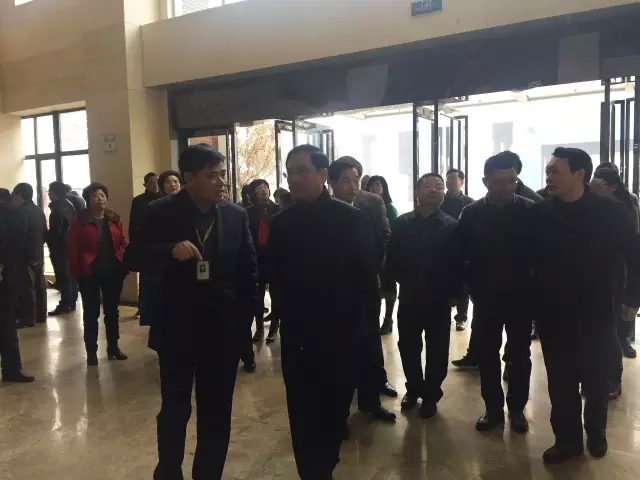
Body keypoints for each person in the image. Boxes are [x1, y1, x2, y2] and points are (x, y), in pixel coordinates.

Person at [124, 144, 257, 480]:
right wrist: (169, 250)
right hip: (176, 329)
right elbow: (133, 256)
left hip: (222, 331)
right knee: (175, 408)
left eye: (223, 174)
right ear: (190, 179)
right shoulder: (159, 211)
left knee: (217, 412)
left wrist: (242, 324)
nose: (222, 182)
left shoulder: (235, 215)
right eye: (213, 176)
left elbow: (249, 271)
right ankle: (169, 471)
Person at [269, 145, 378, 480]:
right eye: (290, 172)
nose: (295, 178)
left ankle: (324, 466)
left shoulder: (351, 219)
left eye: (302, 171)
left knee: (333, 411)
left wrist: (364, 333)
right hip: (298, 337)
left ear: (322, 175)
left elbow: (367, 280)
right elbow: (276, 278)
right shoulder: (281, 223)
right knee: (300, 412)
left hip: (341, 335)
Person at [530, 147, 640, 464]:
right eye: (548, 171)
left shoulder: (610, 211)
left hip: (597, 311)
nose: (549, 177)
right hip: (553, 313)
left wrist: (633, 299)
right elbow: (528, 260)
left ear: (579, 174)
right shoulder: (539, 212)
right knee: (560, 381)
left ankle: (595, 432)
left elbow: (634, 255)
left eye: (555, 171)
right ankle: (567, 441)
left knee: (596, 380)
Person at [456, 152, 534, 434]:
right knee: (487, 353)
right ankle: (492, 409)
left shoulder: (530, 210)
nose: (505, 187)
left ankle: (517, 409)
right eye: (498, 181)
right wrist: (467, 290)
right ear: (485, 181)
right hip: (485, 297)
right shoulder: (472, 213)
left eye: (511, 181)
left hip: (521, 297)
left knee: (520, 355)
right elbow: (460, 255)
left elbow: (541, 255)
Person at [328, 159, 396, 424]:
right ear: (331, 182)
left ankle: (371, 401)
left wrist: (374, 270)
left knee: (370, 345)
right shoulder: (323, 209)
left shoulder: (372, 203)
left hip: (367, 286)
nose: (353, 185)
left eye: (356, 179)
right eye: (345, 180)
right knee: (340, 352)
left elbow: (385, 238)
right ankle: (338, 414)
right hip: (334, 292)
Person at [387, 173, 461, 419]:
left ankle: (431, 395)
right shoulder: (402, 223)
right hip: (409, 297)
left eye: (439, 186)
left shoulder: (451, 225)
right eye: (428, 186)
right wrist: (393, 284)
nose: (434, 190)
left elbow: (458, 263)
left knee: (438, 350)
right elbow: (392, 257)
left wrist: (456, 294)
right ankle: (413, 389)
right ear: (417, 192)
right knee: (408, 346)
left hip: (439, 300)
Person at [67, 183, 129, 366]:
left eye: (102, 195)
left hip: (113, 271)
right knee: (91, 313)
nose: (100, 199)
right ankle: (91, 351)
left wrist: (124, 259)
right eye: (95, 196)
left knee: (112, 312)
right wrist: (77, 272)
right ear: (88, 200)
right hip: (89, 273)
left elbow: (122, 241)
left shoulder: (113, 218)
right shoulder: (80, 222)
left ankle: (113, 347)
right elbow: (72, 248)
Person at [591, 167, 639, 362]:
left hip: (620, 263)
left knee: (620, 308)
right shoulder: (589, 199)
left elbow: (632, 235)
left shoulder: (627, 202)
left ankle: (624, 340)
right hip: (597, 268)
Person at [140, 170, 182, 351]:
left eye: (176, 181)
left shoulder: (189, 207)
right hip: (161, 268)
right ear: (162, 187)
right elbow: (145, 243)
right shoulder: (155, 208)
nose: (173, 185)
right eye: (168, 182)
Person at [0, 188, 35, 383]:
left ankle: (12, 368)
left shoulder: (9, 214)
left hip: (5, 275)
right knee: (6, 323)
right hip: (8, 275)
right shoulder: (15, 213)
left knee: (6, 322)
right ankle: (12, 368)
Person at [246, 179, 281, 345]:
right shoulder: (248, 212)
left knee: (276, 294)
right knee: (257, 296)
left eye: (265, 187)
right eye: (259, 188)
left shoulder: (278, 210)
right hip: (256, 259)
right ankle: (259, 327)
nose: (263, 190)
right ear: (254, 192)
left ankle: (274, 327)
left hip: (274, 258)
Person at [441, 168, 475, 331]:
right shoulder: (441, 200)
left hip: (462, 247)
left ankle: (461, 317)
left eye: (453, 179)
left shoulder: (469, 202)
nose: (449, 182)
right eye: (447, 179)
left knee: (463, 285)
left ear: (461, 181)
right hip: (443, 246)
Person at [366, 175, 399, 335]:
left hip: (387, 253)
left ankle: (388, 319)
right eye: (372, 185)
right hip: (370, 254)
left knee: (389, 288)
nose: (375, 188)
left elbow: (391, 232)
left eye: (378, 185)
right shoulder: (364, 206)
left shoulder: (389, 208)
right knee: (375, 290)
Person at [12, 183, 48, 328]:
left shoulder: (21, 212)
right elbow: (45, 232)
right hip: (38, 252)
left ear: (19, 194)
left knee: (27, 287)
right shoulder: (39, 210)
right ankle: (41, 314)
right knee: (40, 285)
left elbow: (20, 234)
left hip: (25, 254)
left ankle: (28, 318)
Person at [129, 172, 161, 319]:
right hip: (145, 244)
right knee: (145, 278)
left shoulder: (164, 198)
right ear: (145, 185)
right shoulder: (138, 201)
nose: (155, 185)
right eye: (152, 182)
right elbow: (133, 224)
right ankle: (142, 307)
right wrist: (134, 244)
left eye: (157, 182)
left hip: (161, 244)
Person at [47, 181, 77, 316]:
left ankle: (65, 303)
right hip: (69, 245)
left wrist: (49, 240)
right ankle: (71, 302)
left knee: (63, 276)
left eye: (49, 191)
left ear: (54, 192)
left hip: (60, 247)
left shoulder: (57, 209)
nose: (48, 193)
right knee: (70, 276)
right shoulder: (69, 205)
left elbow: (56, 232)